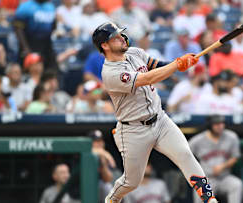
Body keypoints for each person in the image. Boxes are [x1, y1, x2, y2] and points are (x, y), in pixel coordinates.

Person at [92, 22, 218, 203]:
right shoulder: (111, 73)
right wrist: (176, 65)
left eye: (121, 35)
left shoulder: (134, 52)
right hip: (133, 130)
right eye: (116, 37)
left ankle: (209, 199)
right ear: (105, 45)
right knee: (131, 182)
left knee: (185, 154)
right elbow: (147, 78)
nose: (122, 38)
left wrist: (183, 64)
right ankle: (112, 198)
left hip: (160, 119)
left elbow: (156, 66)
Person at [189, 114, 243, 203]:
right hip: (206, 179)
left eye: (222, 123)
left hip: (224, 177)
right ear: (210, 126)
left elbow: (235, 157)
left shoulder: (231, 137)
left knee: (237, 184)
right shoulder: (198, 140)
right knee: (199, 187)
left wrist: (222, 166)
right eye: (217, 124)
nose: (221, 126)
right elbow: (186, 154)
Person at [87, 129, 121, 203]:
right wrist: (104, 153)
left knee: (108, 185)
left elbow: (108, 178)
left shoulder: (103, 156)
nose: (100, 144)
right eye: (96, 141)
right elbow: (89, 151)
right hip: (84, 190)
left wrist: (103, 159)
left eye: (101, 141)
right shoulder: (86, 154)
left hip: (100, 192)